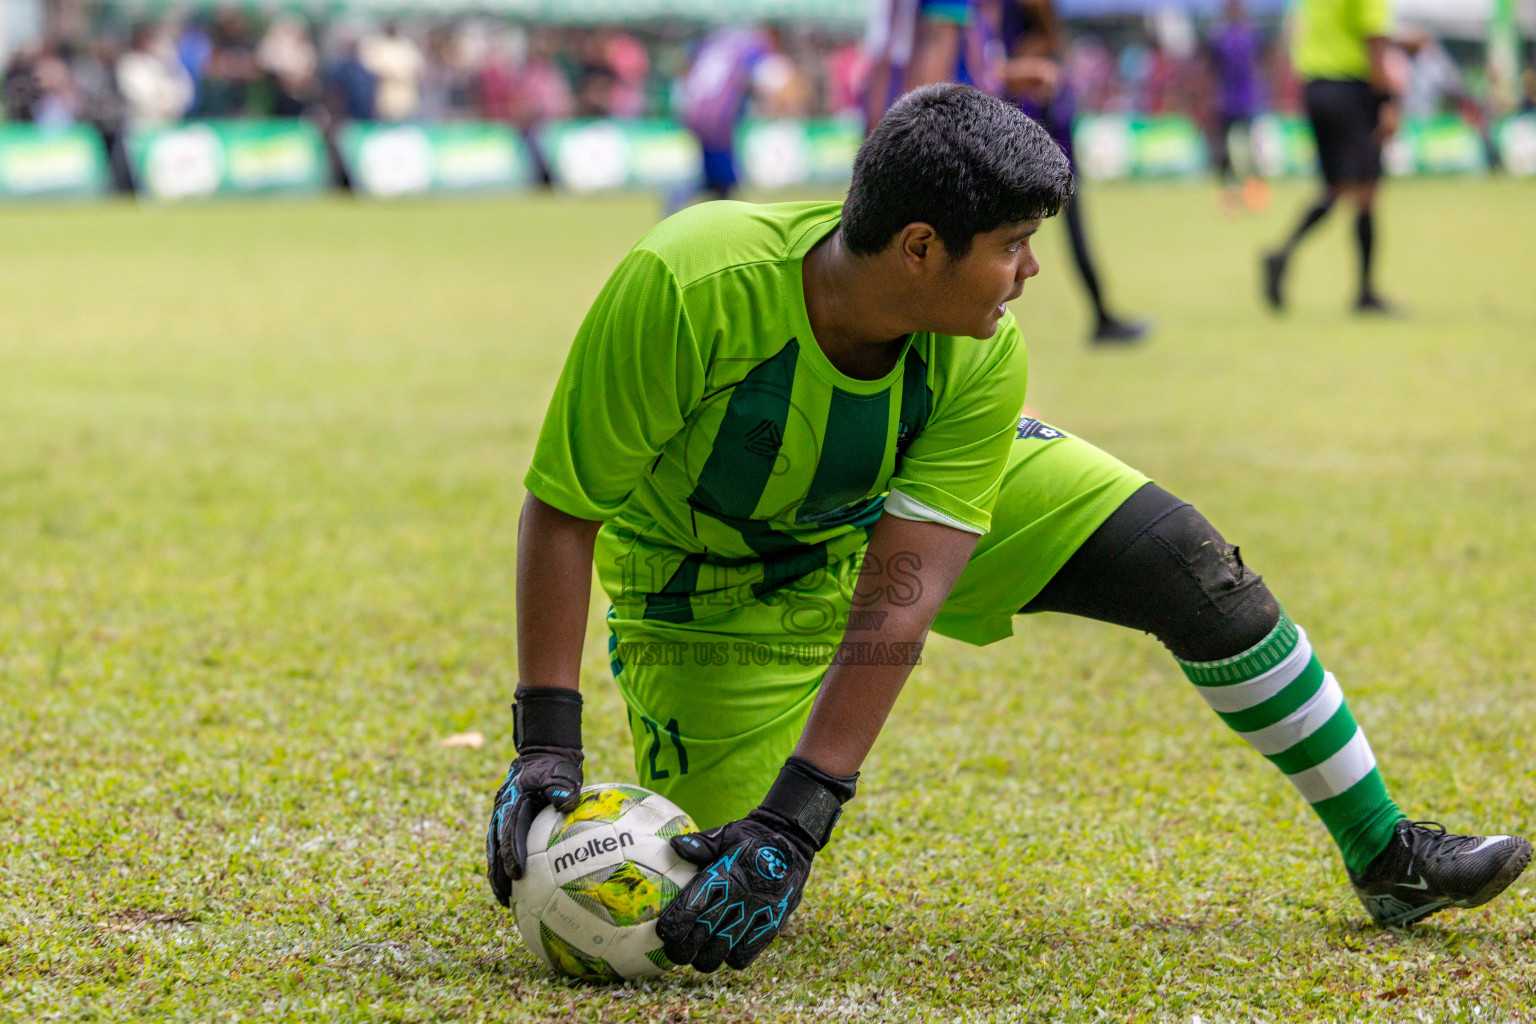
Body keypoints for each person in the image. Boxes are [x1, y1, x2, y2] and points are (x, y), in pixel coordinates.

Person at [485, 84, 1531, 976]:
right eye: (1014, 247)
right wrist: (547, 745)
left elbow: (907, 580)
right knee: (691, 915)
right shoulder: (687, 284)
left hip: (879, 518)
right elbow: (566, 505)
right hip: (710, 597)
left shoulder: (981, 347)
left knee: (1190, 565)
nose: (1032, 274)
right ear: (919, 247)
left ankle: (1384, 851)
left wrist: (802, 812)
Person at [993, 0, 1150, 345]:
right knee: (1003, 229)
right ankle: (1101, 316)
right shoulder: (1017, 17)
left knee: (1012, 228)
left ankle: (1101, 315)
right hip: (1032, 119)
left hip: (1040, 118)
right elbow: (1003, 59)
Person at [1263, 0, 1401, 314]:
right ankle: (1365, 292)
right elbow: (1374, 41)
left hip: (1315, 89)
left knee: (1336, 186)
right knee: (1366, 189)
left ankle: (1281, 254)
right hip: (1350, 89)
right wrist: (1388, 101)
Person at [1206, 0, 1270, 214]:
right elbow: (1212, 70)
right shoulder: (1219, 37)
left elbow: (1260, 63)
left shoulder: (1250, 35)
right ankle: (1230, 196)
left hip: (1247, 100)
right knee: (1225, 151)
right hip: (1226, 102)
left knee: (1252, 151)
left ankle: (1253, 195)